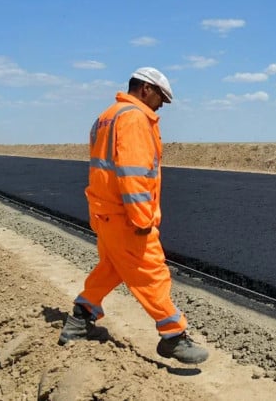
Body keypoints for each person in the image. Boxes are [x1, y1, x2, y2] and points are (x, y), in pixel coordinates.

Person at [58, 67, 209, 364]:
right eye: (160, 97)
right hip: (127, 217)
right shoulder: (134, 119)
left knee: (112, 268)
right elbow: (133, 172)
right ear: (145, 89)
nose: (162, 105)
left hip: (104, 212)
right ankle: (173, 336)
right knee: (153, 273)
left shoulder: (106, 116)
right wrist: (142, 219)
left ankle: (80, 318)